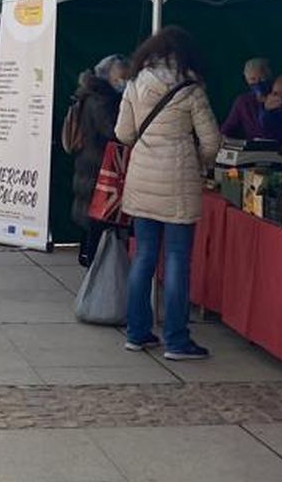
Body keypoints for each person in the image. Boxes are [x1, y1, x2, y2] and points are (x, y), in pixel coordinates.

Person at [115, 26, 221, 361]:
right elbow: (212, 142)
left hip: (142, 180)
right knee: (177, 261)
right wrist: (197, 161)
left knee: (144, 256)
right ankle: (176, 339)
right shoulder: (191, 89)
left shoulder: (134, 83)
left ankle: (136, 332)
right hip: (178, 184)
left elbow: (123, 133)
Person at [67, 54, 129, 268]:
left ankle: (87, 257)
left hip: (89, 162)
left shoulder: (90, 94)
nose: (124, 81)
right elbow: (113, 131)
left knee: (90, 218)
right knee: (96, 220)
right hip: (98, 166)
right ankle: (93, 264)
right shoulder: (102, 99)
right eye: (121, 76)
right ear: (109, 75)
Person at [220, 57, 282, 142]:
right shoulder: (243, 101)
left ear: (270, 76)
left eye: (262, 78)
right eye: (253, 79)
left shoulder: (281, 97)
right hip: (254, 150)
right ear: (246, 80)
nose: (258, 83)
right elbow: (228, 128)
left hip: (280, 148)